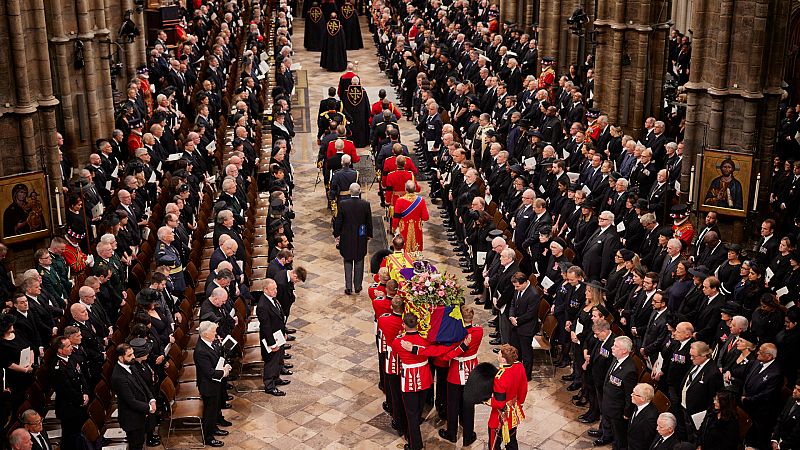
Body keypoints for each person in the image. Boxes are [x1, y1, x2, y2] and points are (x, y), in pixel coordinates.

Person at [110, 343, 157, 450]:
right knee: (136, 445)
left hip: (140, 412)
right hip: (132, 418)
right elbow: (130, 401)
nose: (133, 357)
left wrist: (152, 399)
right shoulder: (118, 377)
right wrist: (148, 408)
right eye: (129, 355)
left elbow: (143, 384)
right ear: (121, 358)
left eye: (133, 354)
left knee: (141, 441)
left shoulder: (131, 365)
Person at [194, 321, 231, 447]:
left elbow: (219, 356)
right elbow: (209, 372)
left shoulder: (211, 342)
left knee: (215, 408)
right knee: (209, 411)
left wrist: (225, 365)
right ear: (206, 334)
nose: (216, 333)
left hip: (216, 383)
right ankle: (208, 437)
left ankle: (214, 427)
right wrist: (224, 373)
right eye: (213, 331)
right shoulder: (200, 351)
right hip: (208, 385)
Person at [333, 183, 373, 295]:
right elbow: (368, 221)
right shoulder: (365, 204)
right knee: (359, 260)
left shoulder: (343, 204)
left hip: (346, 237)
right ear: (359, 191)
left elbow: (338, 221)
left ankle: (348, 287)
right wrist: (369, 234)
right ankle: (358, 286)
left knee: (347, 260)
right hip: (361, 236)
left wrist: (336, 234)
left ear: (350, 192)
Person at [51, 335, 89, 450]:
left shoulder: (71, 358)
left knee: (81, 433)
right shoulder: (58, 369)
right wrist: (81, 399)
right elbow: (66, 391)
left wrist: (86, 393)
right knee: (71, 438)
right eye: (68, 346)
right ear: (60, 350)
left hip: (79, 402)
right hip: (69, 408)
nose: (72, 348)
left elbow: (81, 376)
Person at [600, 336, 637, 449]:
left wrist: (627, 412)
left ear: (624, 350)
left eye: (615, 346)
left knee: (619, 436)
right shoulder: (616, 358)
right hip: (608, 402)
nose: (612, 347)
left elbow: (628, 394)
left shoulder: (629, 370)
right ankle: (606, 436)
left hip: (617, 410)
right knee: (610, 426)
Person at [487, 344, 528, 450]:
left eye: (500, 353)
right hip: (513, 411)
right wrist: (521, 403)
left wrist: (484, 400)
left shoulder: (499, 377)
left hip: (500, 416)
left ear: (504, 360)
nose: (498, 354)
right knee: (512, 440)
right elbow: (523, 387)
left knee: (494, 443)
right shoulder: (519, 366)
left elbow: (499, 403)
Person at [257, 279, 291, 397]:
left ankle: (276, 378)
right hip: (271, 339)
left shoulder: (273, 299)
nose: (276, 291)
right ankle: (269, 385)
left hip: (279, 335)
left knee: (278, 359)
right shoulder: (262, 305)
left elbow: (280, 318)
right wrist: (272, 344)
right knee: (271, 361)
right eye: (273, 289)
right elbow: (266, 327)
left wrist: (284, 332)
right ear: (265, 290)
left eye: (276, 288)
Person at [508, 272, 541, 380]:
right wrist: (511, 316)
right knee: (516, 350)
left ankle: (526, 376)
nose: (516, 288)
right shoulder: (517, 289)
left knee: (526, 353)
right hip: (516, 324)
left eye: (518, 286)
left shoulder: (533, 294)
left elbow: (531, 313)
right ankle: (516, 371)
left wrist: (517, 320)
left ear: (525, 282)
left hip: (526, 327)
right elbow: (513, 303)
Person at [392, 180, 430, 252]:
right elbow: (426, 217)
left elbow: (396, 217)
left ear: (405, 189)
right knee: (416, 249)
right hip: (416, 229)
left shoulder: (399, 200)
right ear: (415, 189)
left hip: (404, 228)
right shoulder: (421, 200)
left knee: (405, 248)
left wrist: (394, 228)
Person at [626, 383, 659, 450]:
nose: (631, 395)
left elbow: (647, 441)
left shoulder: (650, 418)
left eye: (634, 394)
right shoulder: (638, 405)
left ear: (643, 399)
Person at [341, 76, 371, 147]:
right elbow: (367, 106)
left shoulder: (346, 92)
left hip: (350, 116)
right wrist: (368, 115)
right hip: (361, 116)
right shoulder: (363, 92)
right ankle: (361, 143)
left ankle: (351, 142)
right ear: (358, 83)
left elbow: (343, 106)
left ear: (351, 82)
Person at [771, 378, 800, 449]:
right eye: (794, 388)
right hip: (779, 440)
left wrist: (780, 446)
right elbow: (780, 419)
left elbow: (796, 434)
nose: (794, 391)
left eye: (798, 390)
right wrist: (775, 438)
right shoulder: (791, 399)